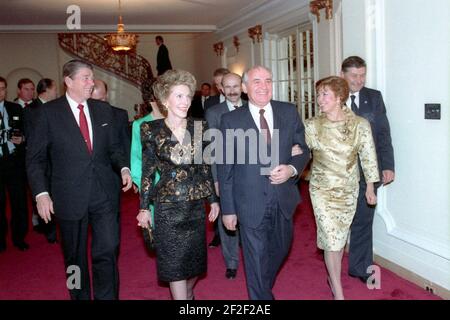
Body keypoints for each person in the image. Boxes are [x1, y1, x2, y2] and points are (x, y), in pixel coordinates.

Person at [26, 59, 132, 300]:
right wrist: (41, 194)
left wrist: (123, 167)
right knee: (74, 258)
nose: (91, 83)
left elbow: (114, 148)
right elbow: (35, 159)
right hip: (68, 196)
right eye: (85, 78)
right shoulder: (47, 113)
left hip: (104, 193)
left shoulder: (103, 110)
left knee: (108, 248)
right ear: (68, 81)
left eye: (91, 78)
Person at [218, 65, 310, 300]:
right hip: (249, 202)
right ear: (246, 88)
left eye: (268, 80)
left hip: (283, 199)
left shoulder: (288, 112)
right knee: (256, 256)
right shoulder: (230, 120)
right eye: (256, 81)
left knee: (281, 249)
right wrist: (227, 209)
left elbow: (303, 150)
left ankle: (261, 285)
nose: (263, 86)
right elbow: (225, 169)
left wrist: (290, 168)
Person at [136, 69, 220, 300]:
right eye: (179, 96)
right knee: (174, 265)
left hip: (194, 206)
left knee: (194, 266)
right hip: (167, 206)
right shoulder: (150, 129)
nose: (185, 102)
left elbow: (205, 166)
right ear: (165, 100)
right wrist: (144, 207)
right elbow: (147, 171)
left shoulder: (198, 127)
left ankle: (188, 293)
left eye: (187, 96)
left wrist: (212, 200)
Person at [305, 76, 379, 300]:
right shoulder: (312, 125)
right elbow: (300, 153)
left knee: (339, 240)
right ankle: (338, 291)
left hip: (348, 190)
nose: (319, 99)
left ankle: (332, 276)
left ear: (339, 98)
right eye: (318, 94)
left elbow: (368, 157)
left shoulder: (359, 125)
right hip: (322, 190)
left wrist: (370, 187)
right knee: (330, 238)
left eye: (324, 94)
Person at [340, 56, 395, 283]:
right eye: (354, 75)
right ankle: (333, 269)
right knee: (340, 223)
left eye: (362, 75)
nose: (359, 80)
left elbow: (383, 133)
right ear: (343, 74)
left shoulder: (374, 97)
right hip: (340, 174)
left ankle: (360, 267)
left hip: (368, 173)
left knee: (363, 221)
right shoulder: (332, 97)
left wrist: (388, 165)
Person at [204, 73, 245, 280]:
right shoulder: (213, 113)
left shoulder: (252, 107)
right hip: (224, 173)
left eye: (235, 86)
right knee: (227, 217)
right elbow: (211, 150)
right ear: (221, 89)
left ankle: (250, 256)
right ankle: (231, 262)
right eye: (227, 87)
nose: (231, 90)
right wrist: (215, 180)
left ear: (242, 86)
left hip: (248, 175)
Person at [24, 78, 58, 244]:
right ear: (47, 90)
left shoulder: (56, 107)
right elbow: (32, 139)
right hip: (42, 162)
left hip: (57, 161)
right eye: (55, 89)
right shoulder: (31, 110)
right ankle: (50, 231)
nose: (57, 92)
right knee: (45, 194)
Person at [0, 76, 29, 252]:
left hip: (14, 161)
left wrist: (23, 139)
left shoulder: (15, 108)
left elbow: (27, 132)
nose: (0, 92)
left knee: (19, 202)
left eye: (2, 88)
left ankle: (19, 237)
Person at [130, 78, 164, 228]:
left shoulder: (179, 121)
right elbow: (136, 160)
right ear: (152, 98)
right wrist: (146, 189)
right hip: (155, 189)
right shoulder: (141, 125)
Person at [91, 79, 131, 162]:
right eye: (94, 101)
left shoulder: (119, 115)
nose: (99, 105)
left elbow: (126, 147)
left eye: (101, 99)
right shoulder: (82, 115)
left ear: (106, 95)